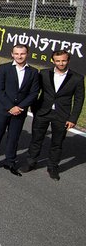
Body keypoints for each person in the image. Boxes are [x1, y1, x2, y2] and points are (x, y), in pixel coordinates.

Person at [25, 50, 84, 180]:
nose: (61, 63)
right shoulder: (44, 73)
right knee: (36, 139)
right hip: (42, 112)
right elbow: (35, 91)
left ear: (68, 61)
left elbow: (79, 100)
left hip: (62, 115)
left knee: (57, 143)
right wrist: (35, 109)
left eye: (63, 60)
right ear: (53, 61)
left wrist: (73, 118)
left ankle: (52, 167)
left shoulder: (77, 78)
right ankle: (31, 162)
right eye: (58, 61)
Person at [0, 44, 40, 175]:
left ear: (27, 54)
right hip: (2, 109)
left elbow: (34, 92)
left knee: (14, 137)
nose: (19, 56)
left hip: (20, 111)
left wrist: (20, 107)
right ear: (12, 54)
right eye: (16, 53)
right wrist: (10, 107)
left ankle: (10, 162)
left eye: (22, 54)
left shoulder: (33, 72)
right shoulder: (4, 68)